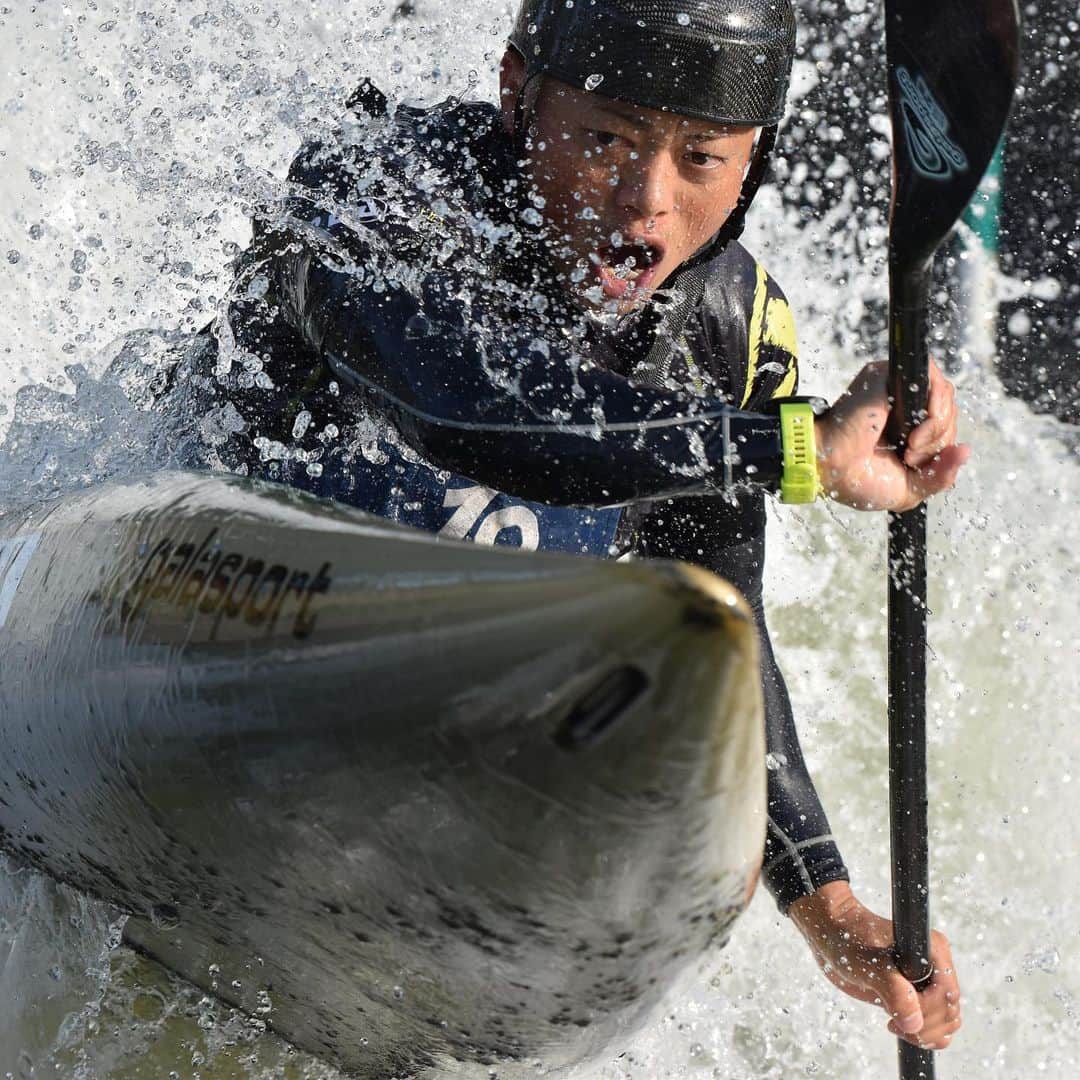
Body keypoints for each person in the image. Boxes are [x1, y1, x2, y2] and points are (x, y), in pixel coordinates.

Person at [161, 0, 964, 1054]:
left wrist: (829, 905)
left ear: (754, 159)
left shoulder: (724, 328)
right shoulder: (375, 191)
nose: (647, 200)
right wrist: (794, 446)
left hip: (463, 709)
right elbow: (464, 410)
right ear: (516, 93)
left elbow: (718, 619)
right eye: (607, 140)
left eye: (702, 158)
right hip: (203, 608)